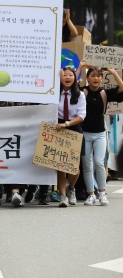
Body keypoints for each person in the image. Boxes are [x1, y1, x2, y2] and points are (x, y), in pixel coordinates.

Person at [81, 66, 123, 206]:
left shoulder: (104, 93)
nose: (96, 78)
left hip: (100, 133)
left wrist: (113, 72)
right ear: (87, 78)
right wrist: (80, 68)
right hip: (84, 134)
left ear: (101, 78)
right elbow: (71, 85)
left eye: (98, 76)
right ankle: (91, 194)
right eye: (92, 75)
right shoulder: (83, 92)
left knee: (99, 163)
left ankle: (102, 193)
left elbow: (121, 88)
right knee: (87, 165)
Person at [56, 66, 86, 207]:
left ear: (75, 78)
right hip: (58, 128)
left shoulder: (79, 95)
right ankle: (62, 196)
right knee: (60, 165)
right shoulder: (54, 93)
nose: (67, 78)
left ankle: (71, 188)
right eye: (65, 75)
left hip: (73, 127)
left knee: (74, 166)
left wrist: (67, 124)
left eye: (70, 75)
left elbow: (81, 116)